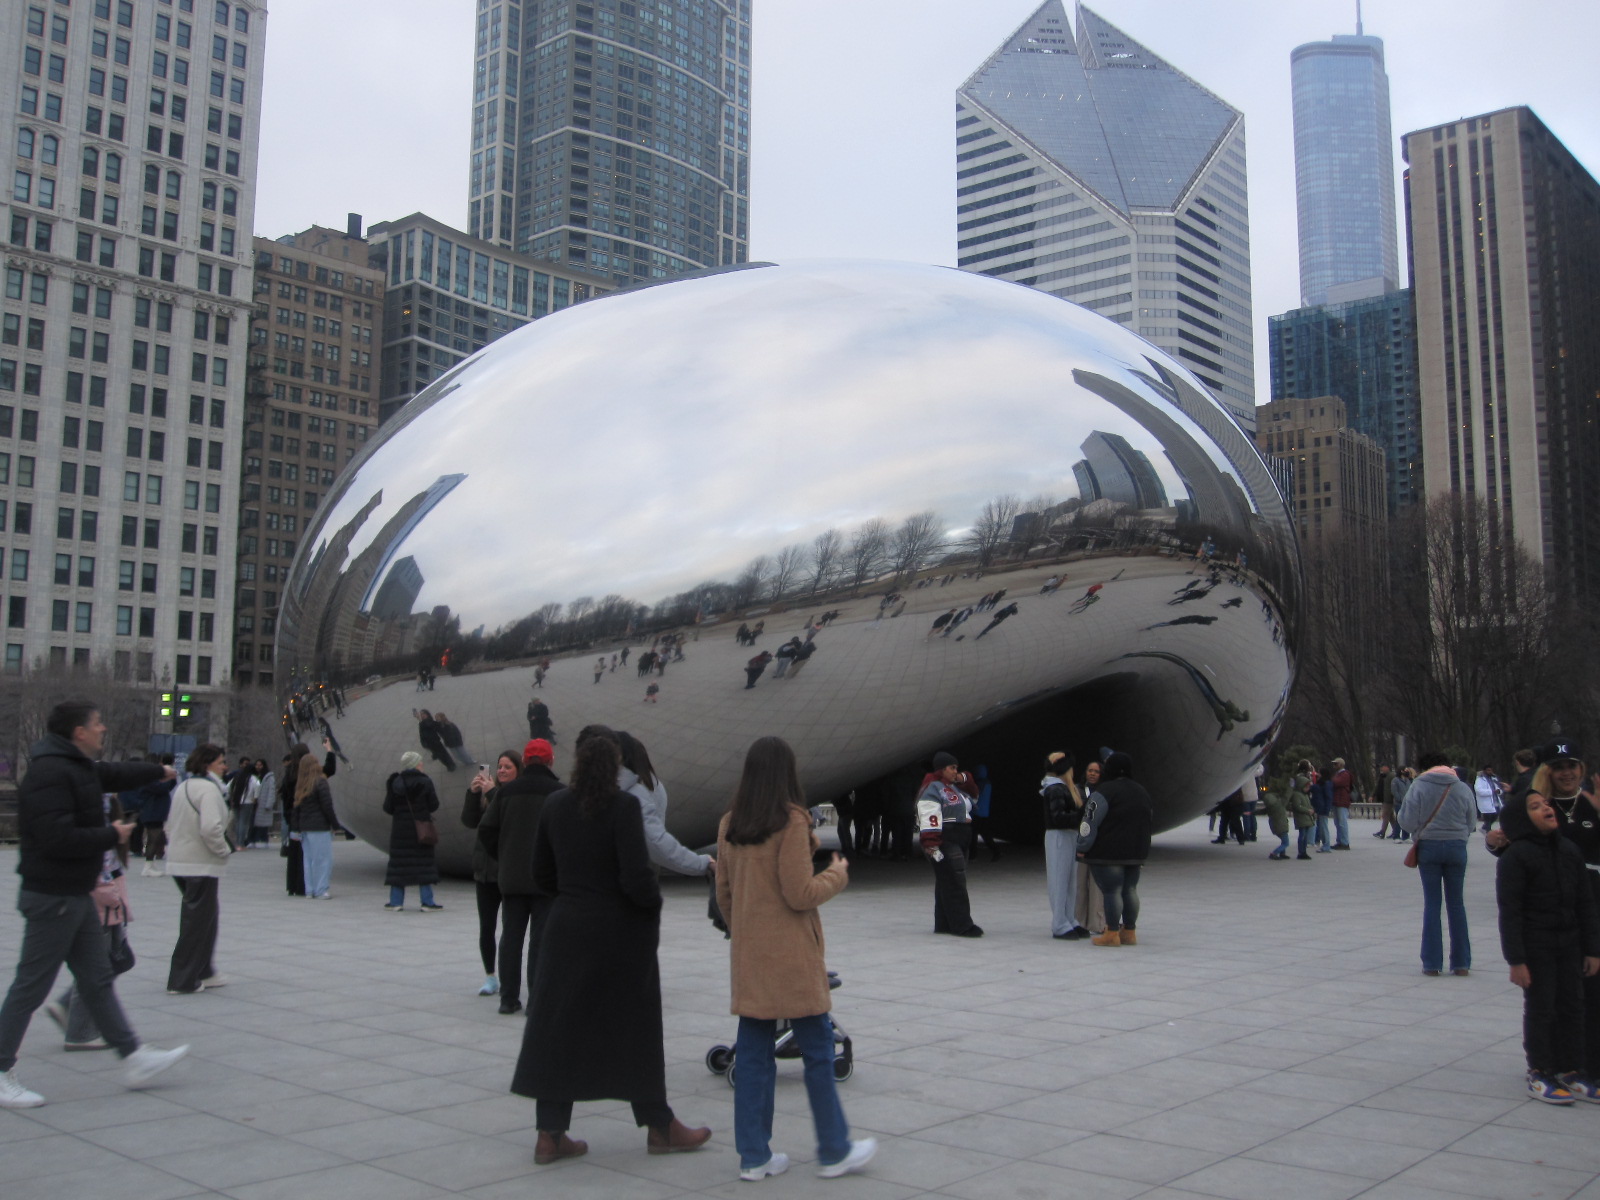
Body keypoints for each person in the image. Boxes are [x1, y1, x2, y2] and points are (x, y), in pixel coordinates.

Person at [511, 734, 711, 1164]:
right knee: (635, 1029)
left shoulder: (555, 806)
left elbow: (540, 873)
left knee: (557, 1029)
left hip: (566, 929)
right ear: (615, 766)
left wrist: (570, 898)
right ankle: (660, 1126)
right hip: (618, 931)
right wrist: (650, 907)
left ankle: (550, 1134)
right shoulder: (624, 807)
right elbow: (637, 877)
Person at [0, 701, 189, 1107]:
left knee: (98, 978)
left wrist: (159, 770)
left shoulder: (76, 765)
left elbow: (113, 774)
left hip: (75, 894)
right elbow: (56, 837)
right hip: (53, 897)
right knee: (31, 986)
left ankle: (134, 1057)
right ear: (78, 732)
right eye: (98, 723)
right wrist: (111, 834)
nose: (104, 728)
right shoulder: (51, 772)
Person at [716, 737, 875, 1181]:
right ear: (787, 773)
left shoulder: (730, 822)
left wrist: (746, 929)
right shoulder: (790, 821)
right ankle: (834, 1148)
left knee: (752, 1055)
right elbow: (799, 893)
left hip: (750, 954)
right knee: (819, 1048)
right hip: (792, 953)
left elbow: (724, 895)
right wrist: (836, 874)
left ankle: (753, 1156)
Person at [1496, 787, 1600, 1104]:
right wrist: (1516, 960)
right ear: (1520, 819)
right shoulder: (1515, 857)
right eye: (1534, 806)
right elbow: (1510, 913)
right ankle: (1539, 1070)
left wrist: (1593, 949)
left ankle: (1571, 1070)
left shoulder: (1569, 850)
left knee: (1573, 1006)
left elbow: (1585, 904)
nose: (1546, 808)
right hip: (1537, 947)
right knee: (1542, 1009)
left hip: (1570, 944)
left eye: (1546, 803)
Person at [44, 789, 133, 1051]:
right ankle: (80, 1032)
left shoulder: (102, 818)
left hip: (107, 897)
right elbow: (100, 867)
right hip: (102, 901)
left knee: (118, 960)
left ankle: (65, 1005)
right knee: (99, 967)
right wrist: (111, 897)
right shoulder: (96, 821)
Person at [478, 739, 563, 1014]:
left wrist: (504, 855)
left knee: (511, 939)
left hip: (512, 877)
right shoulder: (559, 793)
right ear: (550, 761)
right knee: (540, 941)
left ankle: (508, 999)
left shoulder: (506, 793)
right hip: (546, 880)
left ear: (525, 762)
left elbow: (486, 830)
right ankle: (535, 1000)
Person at [1398, 750, 1477, 976]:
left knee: (1432, 904)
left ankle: (1432, 963)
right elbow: (1472, 822)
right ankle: (1461, 962)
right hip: (1456, 847)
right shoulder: (1462, 787)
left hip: (1429, 847)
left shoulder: (1419, 786)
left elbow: (1406, 820)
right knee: (1457, 904)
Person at [164, 743, 233, 995]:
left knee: (205, 918)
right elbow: (211, 828)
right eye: (221, 762)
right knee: (196, 922)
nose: (225, 766)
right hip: (200, 864)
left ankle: (204, 970)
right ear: (207, 764)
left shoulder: (183, 787)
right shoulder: (209, 791)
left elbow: (169, 825)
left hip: (182, 861)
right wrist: (223, 851)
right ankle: (182, 979)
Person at [1077, 751, 1153, 947]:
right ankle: (1129, 931)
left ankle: (1111, 932)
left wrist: (1082, 846)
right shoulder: (1142, 791)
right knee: (1130, 890)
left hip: (1109, 852)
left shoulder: (1103, 791)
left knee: (1112, 891)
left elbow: (1089, 821)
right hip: (1136, 851)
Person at [462, 750, 520, 997]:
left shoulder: (517, 793)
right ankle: (490, 976)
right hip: (484, 871)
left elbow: (513, 819)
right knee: (487, 926)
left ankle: (509, 978)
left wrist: (492, 792)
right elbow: (469, 821)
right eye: (500, 767)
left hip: (507, 871)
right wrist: (473, 794)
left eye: (508, 767)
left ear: (518, 769)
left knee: (510, 929)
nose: (502, 771)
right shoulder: (489, 792)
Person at [617, 731, 713, 878]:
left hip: (635, 859)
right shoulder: (654, 785)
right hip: (650, 857)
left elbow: (651, 835)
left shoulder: (635, 792)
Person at [917, 752, 982, 937]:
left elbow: (975, 795)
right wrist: (931, 843)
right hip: (947, 836)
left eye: (957, 768)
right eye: (952, 768)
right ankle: (962, 924)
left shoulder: (954, 787)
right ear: (941, 769)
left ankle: (944, 923)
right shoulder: (933, 787)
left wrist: (964, 778)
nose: (956, 771)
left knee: (946, 880)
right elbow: (929, 813)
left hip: (962, 835)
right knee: (955, 879)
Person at [383, 752, 443, 911]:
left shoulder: (395, 782)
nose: (422, 764)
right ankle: (427, 902)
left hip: (400, 832)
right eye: (420, 762)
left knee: (399, 866)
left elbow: (388, 807)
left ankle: (396, 902)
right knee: (424, 865)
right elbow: (434, 805)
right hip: (420, 830)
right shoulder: (425, 782)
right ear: (416, 764)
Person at [1040, 752, 1088, 939]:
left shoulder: (1063, 788)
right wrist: (1080, 815)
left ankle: (1069, 918)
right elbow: (1057, 818)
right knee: (1059, 880)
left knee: (1070, 880)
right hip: (1059, 835)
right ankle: (1059, 922)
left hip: (1068, 835)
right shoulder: (1055, 789)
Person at [294, 754, 338, 899]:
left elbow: (297, 808)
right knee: (323, 859)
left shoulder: (301, 784)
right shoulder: (320, 782)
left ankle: (310, 889)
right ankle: (321, 889)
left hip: (305, 827)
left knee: (309, 860)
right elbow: (327, 805)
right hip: (319, 826)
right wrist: (335, 823)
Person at [1075, 760, 1108, 934]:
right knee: (1080, 883)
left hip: (1098, 844)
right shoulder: (1078, 791)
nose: (1092, 774)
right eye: (1090, 770)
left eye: (1096, 771)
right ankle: (1078, 920)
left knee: (1097, 885)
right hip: (1081, 842)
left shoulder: (1104, 793)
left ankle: (1097, 922)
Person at [137, 756, 175, 876]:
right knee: (153, 838)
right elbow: (162, 788)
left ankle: (150, 864)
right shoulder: (149, 779)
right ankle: (147, 866)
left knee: (154, 838)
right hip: (152, 812)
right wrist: (172, 779)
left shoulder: (149, 778)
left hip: (155, 811)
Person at [227, 755, 260, 849]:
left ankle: (237, 842)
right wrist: (255, 797)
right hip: (248, 802)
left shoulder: (237, 776)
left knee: (238, 822)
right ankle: (241, 843)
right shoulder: (253, 778)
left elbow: (228, 787)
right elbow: (257, 787)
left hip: (236, 801)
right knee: (244, 823)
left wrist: (231, 796)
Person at [969, 765, 999, 862]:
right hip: (984, 813)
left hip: (977, 813)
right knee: (985, 835)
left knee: (973, 835)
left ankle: (973, 855)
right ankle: (996, 851)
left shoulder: (979, 784)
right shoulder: (987, 783)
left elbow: (974, 796)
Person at [1288, 763, 1317, 859]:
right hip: (1302, 818)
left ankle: (1303, 851)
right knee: (1302, 835)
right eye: (1306, 787)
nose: (1308, 789)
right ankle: (1301, 851)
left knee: (1305, 836)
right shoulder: (1297, 794)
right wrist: (1307, 810)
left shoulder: (1304, 795)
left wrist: (1311, 810)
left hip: (1306, 818)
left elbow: (1307, 804)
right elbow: (1297, 806)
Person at [249, 759, 275, 846]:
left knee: (263, 824)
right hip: (254, 802)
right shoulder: (253, 776)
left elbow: (271, 790)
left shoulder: (269, 777)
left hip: (263, 803)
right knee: (253, 823)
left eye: (260, 765)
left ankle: (264, 840)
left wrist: (269, 803)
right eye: (256, 765)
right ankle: (252, 840)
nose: (258, 767)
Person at [1261, 783, 1291, 859]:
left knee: (1283, 840)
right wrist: (1291, 787)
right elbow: (1287, 796)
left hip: (1275, 826)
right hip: (1282, 826)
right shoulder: (1280, 804)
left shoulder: (1269, 807)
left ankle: (1282, 853)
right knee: (1286, 843)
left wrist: (1251, 812)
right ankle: (1274, 853)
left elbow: (1262, 811)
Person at [1329, 757, 1354, 849]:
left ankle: (1344, 842)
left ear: (1341, 764)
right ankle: (1339, 841)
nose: (1334, 765)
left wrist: (1330, 780)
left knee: (1342, 822)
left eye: (1336, 764)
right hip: (1337, 800)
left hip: (1342, 800)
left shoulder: (1345, 774)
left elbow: (1336, 783)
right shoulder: (1338, 774)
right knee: (1337, 822)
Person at [1476, 765, 1505, 833]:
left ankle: (1484, 828)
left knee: (1495, 815)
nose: (1490, 772)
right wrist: (1491, 792)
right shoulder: (1480, 779)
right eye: (1488, 770)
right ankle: (1488, 832)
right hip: (1486, 802)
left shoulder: (1494, 778)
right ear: (1484, 771)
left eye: (1491, 770)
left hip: (1495, 801)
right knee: (1488, 818)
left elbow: (1499, 788)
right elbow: (1478, 790)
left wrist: (1499, 791)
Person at [1373, 765, 1398, 839]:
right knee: (1390, 817)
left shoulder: (1392, 776)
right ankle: (1395, 831)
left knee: (1385, 815)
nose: (1381, 770)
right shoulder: (1382, 776)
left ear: (1387, 767)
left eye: (1383, 768)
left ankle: (1382, 832)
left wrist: (1394, 797)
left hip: (1389, 799)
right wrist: (1373, 795)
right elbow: (1377, 786)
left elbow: (1394, 788)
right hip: (1384, 798)